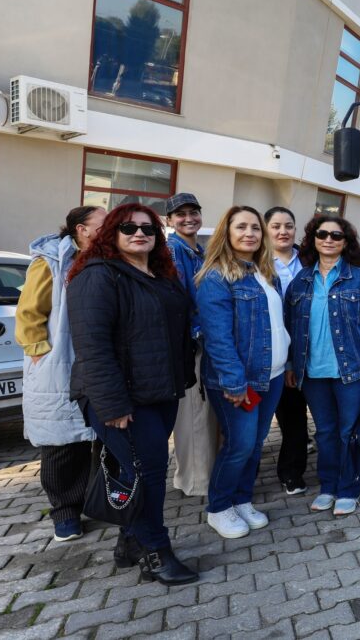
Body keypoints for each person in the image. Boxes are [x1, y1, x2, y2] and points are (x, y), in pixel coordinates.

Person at [66, 203, 197, 585]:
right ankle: (156, 553)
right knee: (149, 475)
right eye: (127, 227)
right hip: (121, 400)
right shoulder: (98, 275)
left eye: (147, 228)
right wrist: (112, 405)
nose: (139, 233)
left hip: (161, 392)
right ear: (111, 233)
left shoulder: (160, 274)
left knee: (138, 471)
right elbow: (92, 346)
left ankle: (129, 545)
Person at [284, 215, 360, 516]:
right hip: (312, 372)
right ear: (314, 239)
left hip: (353, 370)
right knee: (325, 432)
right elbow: (290, 326)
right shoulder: (301, 281)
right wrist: (292, 363)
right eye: (322, 234)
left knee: (348, 432)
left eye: (336, 235)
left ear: (345, 243)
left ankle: (348, 488)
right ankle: (328, 486)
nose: (328, 239)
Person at [196, 206, 289, 539]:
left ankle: (242, 499)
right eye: (241, 227)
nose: (250, 233)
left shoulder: (266, 272)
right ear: (227, 232)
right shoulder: (216, 276)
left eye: (255, 227)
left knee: (255, 443)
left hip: (273, 375)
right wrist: (234, 382)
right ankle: (219, 508)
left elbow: (276, 325)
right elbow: (218, 337)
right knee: (238, 445)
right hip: (239, 381)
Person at [17, 206, 105, 542]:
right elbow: (29, 313)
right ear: (82, 230)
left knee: (98, 437)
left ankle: (98, 502)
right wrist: (39, 351)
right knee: (61, 441)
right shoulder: (50, 261)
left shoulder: (108, 257)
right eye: (103, 223)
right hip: (59, 362)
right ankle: (65, 511)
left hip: (96, 359)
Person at [164, 192, 218, 497]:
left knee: (205, 414)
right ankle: (196, 481)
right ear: (169, 221)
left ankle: (202, 475)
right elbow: (179, 301)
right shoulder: (173, 251)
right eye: (180, 214)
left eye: (193, 212)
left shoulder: (199, 251)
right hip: (192, 344)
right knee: (194, 416)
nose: (188, 218)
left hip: (205, 340)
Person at [265, 206, 311, 495]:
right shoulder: (257, 263)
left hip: (310, 345)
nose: (283, 231)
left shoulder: (308, 260)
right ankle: (289, 472)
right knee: (291, 416)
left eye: (289, 226)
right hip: (275, 349)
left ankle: (298, 468)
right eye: (276, 226)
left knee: (308, 415)